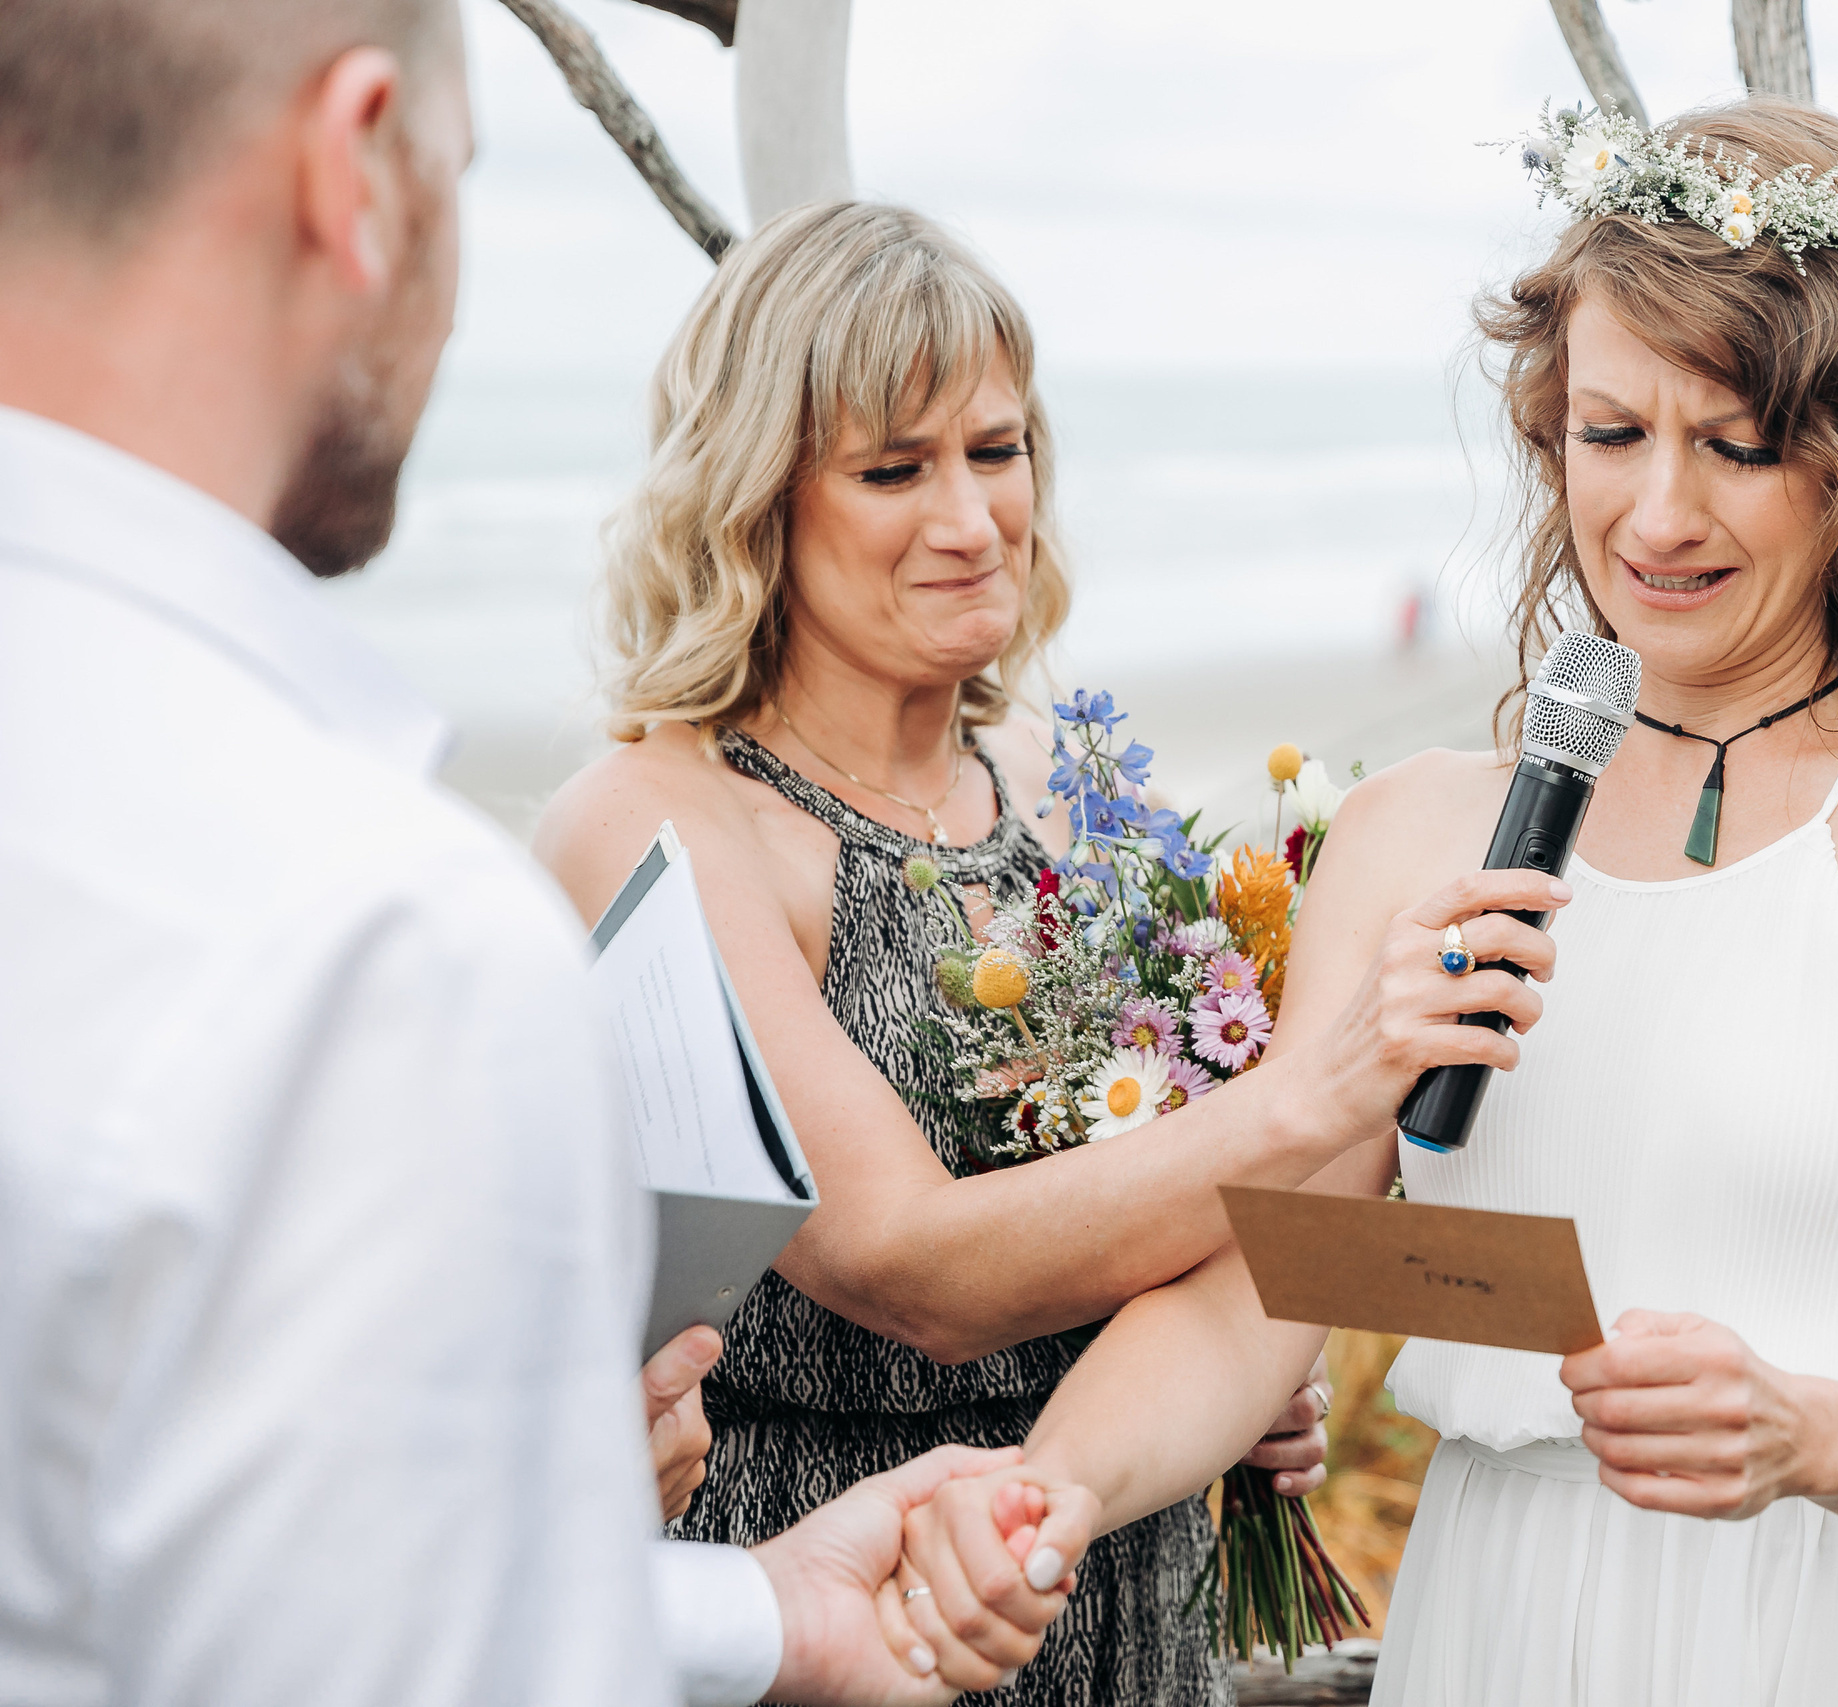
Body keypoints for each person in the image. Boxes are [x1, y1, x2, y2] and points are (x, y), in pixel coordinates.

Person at [902, 98, 1838, 1704]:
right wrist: (1058, 1489)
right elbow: (1260, 1299)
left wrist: (1816, 1434)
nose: (1655, 517)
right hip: (1501, 1632)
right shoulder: (1416, 831)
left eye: (1736, 445)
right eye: (1612, 434)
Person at [0, 3, 1087, 1701]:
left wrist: (750, 1609)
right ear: (356, 162)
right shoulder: (382, 938)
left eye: (996, 451)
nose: (965, 513)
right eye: (463, 175)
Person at [533, 197, 1577, 1704]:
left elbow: (1194, 1213)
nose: (971, 521)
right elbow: (910, 1265)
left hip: (1117, 1581)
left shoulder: (1063, 779)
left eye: (997, 450)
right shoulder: (657, 819)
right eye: (894, 470)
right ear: (757, 501)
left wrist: (1245, 1364)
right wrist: (1318, 1093)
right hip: (853, 1602)